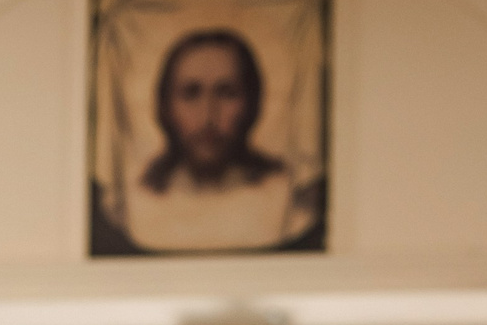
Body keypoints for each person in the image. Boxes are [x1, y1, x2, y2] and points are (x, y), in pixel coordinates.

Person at [95, 28, 325, 256]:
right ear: (165, 106)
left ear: (252, 102)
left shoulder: (285, 196)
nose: (208, 117)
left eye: (227, 93)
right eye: (190, 93)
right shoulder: (138, 199)